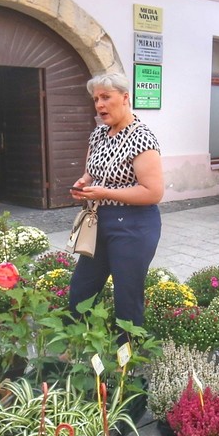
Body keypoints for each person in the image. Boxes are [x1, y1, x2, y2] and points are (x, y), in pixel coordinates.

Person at [68, 72, 164, 327]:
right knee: (81, 288)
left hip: (134, 225)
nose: (99, 104)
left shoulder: (141, 138)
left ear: (124, 98)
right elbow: (91, 172)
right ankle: (71, 349)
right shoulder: (98, 135)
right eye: (96, 99)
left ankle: (127, 360)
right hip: (99, 221)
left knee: (127, 296)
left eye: (106, 97)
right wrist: (84, 183)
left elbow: (153, 192)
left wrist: (104, 193)